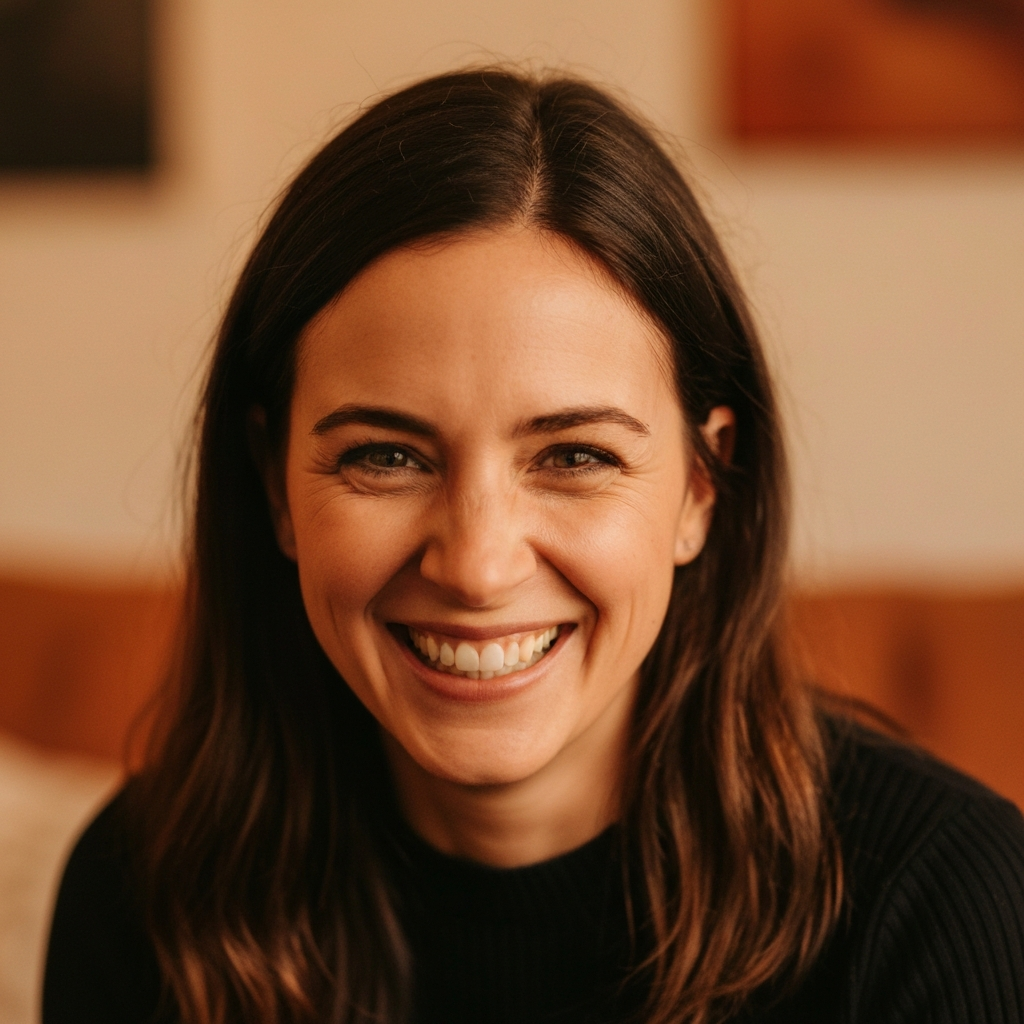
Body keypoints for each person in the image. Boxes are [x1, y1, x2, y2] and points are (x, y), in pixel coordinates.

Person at [43, 67, 1024, 1024]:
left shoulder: (941, 906)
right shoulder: (142, 896)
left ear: (699, 483)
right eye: (385, 454)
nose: (476, 564)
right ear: (273, 484)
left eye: (573, 455)